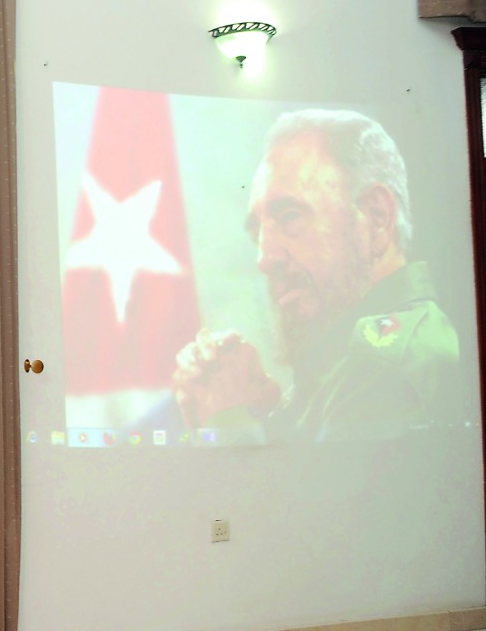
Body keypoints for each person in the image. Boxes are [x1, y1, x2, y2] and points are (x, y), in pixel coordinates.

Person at [172, 109, 464, 443]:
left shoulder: (381, 367)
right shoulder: (352, 364)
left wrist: (229, 420)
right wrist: (266, 413)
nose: (264, 259)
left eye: (290, 216)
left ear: (377, 216)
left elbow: (316, 480)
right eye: (258, 235)